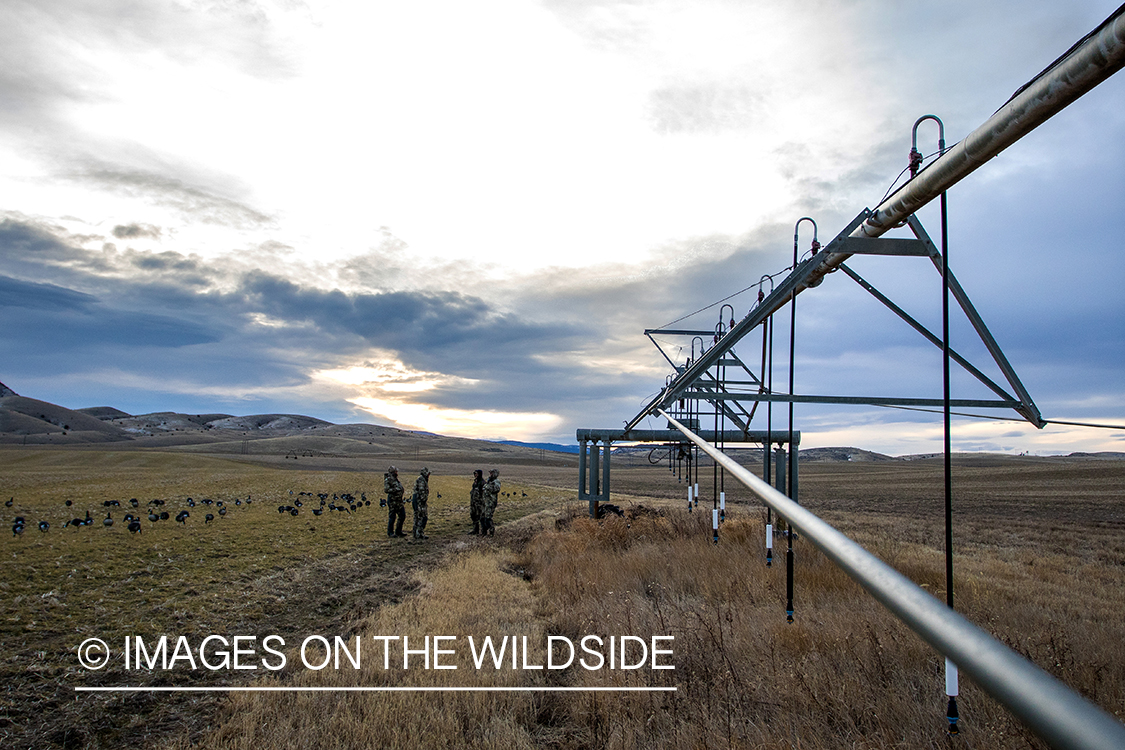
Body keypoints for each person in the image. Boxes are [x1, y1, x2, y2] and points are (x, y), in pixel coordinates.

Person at [384, 466, 405, 538]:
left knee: (402, 516)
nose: (397, 472)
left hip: (399, 501)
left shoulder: (395, 479)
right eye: (396, 471)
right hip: (393, 501)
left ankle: (398, 531)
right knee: (392, 517)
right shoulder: (389, 479)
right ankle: (390, 532)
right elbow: (386, 490)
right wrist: (396, 490)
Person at [412, 467, 430, 540]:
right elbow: (422, 492)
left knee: (421, 517)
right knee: (420, 517)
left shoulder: (423, 480)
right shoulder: (421, 480)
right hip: (419, 502)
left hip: (420, 502)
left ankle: (419, 533)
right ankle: (417, 534)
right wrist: (423, 500)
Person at [481, 468, 500, 537]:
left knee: (488, 518)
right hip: (485, 502)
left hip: (491, 502)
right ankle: (484, 532)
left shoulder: (496, 481)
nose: (490, 474)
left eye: (492, 473)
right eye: (490, 473)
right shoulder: (489, 480)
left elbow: (496, 489)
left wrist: (488, 487)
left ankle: (491, 533)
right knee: (482, 517)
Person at [469, 469, 485, 535]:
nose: (475, 475)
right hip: (473, 502)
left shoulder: (482, 483)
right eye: (474, 473)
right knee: (473, 516)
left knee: (481, 517)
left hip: (480, 503)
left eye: (476, 473)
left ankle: (484, 532)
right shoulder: (475, 482)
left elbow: (484, 494)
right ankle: (475, 530)